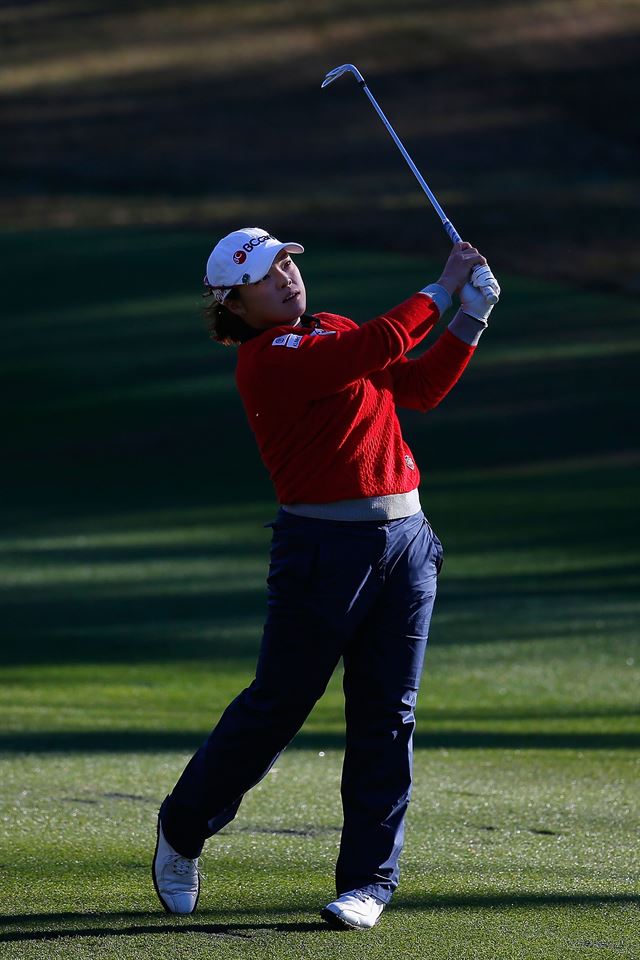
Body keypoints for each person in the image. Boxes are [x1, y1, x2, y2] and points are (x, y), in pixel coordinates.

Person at [152, 226, 500, 930]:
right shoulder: (268, 359)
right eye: (265, 274)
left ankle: (369, 882)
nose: (285, 277)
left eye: (286, 262)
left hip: (407, 541)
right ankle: (184, 828)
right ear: (236, 304)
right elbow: (372, 348)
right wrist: (440, 288)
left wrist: (471, 316)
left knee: (387, 716)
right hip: (322, 551)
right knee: (276, 707)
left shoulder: (330, 330)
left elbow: (421, 387)